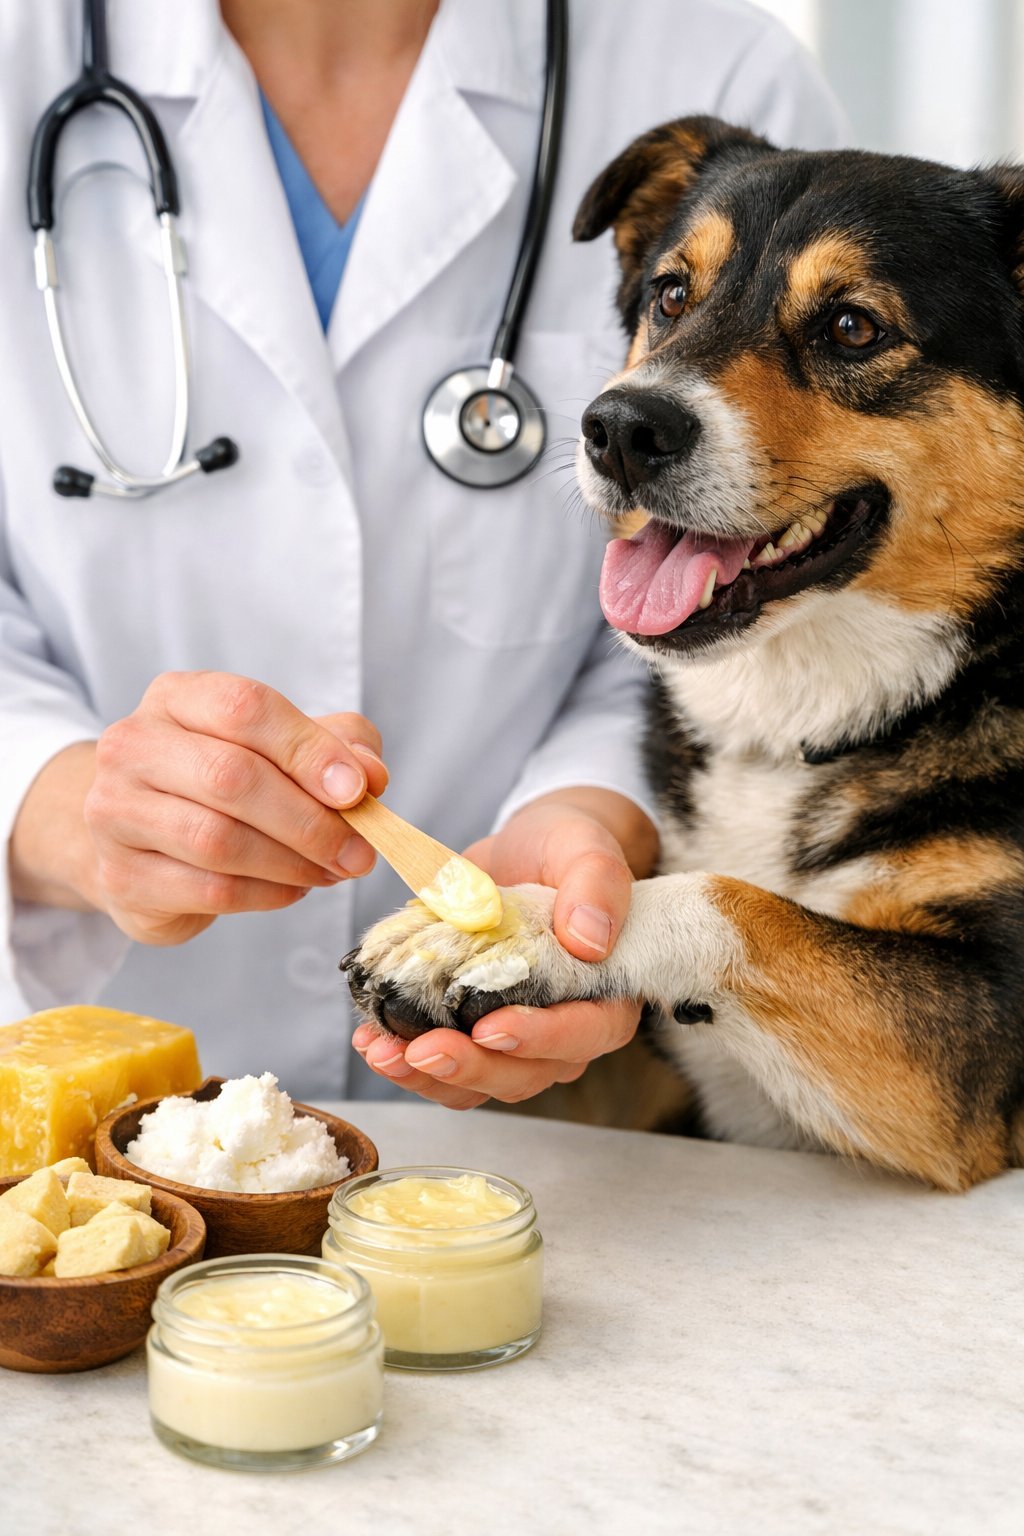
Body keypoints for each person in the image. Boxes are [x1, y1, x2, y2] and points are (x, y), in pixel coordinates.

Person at [0, 0, 845, 1107]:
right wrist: (65, 811)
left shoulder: (715, 69)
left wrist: (590, 821)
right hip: (61, 1080)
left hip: (556, 1118)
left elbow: (752, 575)